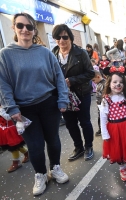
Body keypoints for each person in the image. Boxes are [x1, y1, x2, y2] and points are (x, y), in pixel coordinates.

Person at [0, 13, 69, 196]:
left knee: (53, 140)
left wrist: (63, 99)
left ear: (34, 30)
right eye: (20, 25)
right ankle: (40, 174)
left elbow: (58, 78)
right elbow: (3, 84)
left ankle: (55, 168)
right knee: (35, 145)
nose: (25, 30)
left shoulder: (45, 52)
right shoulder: (5, 55)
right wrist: (12, 108)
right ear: (14, 27)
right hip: (24, 110)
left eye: (29, 27)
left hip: (49, 104)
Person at [52, 24, 95, 162]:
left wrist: (72, 80)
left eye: (64, 37)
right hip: (64, 96)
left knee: (84, 121)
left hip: (82, 93)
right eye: (58, 37)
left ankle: (89, 146)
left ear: (70, 38)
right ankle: (78, 147)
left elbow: (90, 73)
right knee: (70, 123)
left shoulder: (80, 53)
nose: (61, 40)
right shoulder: (53, 54)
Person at [100, 66, 126, 181]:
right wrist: (105, 133)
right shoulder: (106, 100)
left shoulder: (125, 96)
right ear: (109, 83)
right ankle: (122, 167)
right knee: (118, 148)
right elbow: (103, 118)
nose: (118, 84)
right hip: (115, 128)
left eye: (121, 82)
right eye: (115, 82)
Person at [0, 106, 29, 173]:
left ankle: (16, 162)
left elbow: (8, 117)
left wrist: (1, 110)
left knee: (13, 146)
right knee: (16, 146)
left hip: (10, 130)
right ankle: (27, 153)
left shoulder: (4, 106)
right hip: (3, 129)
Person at [92, 70, 106, 136]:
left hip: (102, 104)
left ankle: (101, 129)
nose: (93, 82)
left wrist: (98, 103)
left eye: (93, 80)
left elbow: (100, 96)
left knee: (101, 117)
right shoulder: (104, 83)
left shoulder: (101, 85)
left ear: (98, 76)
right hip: (102, 103)